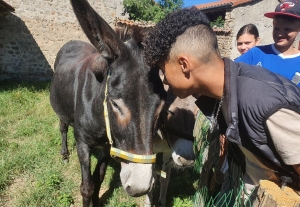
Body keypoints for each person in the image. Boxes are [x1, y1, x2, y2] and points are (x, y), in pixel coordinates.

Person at [144, 6, 300, 205]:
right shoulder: (226, 91)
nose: (165, 80)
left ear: (184, 64)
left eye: (163, 69)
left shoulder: (261, 101)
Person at [235, 0, 300, 87]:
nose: (280, 34)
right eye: (276, 28)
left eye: (287, 29)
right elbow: (229, 74)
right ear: (273, 24)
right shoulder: (255, 53)